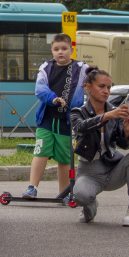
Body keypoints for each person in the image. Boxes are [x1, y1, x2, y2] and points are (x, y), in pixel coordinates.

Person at [70, 68, 129, 226]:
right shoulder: (78, 112)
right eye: (101, 86)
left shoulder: (114, 112)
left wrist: (126, 131)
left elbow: (123, 145)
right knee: (80, 196)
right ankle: (90, 205)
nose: (106, 91)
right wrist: (107, 116)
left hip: (112, 168)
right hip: (89, 172)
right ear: (88, 87)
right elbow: (80, 127)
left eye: (109, 88)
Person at [22, 33, 88, 198]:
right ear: (52, 51)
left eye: (64, 49)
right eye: (56, 49)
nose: (61, 52)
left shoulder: (82, 68)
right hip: (47, 120)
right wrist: (54, 99)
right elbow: (40, 88)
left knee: (65, 159)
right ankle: (32, 187)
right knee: (40, 152)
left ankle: (64, 193)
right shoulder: (46, 67)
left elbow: (93, 83)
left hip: (68, 121)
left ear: (71, 50)